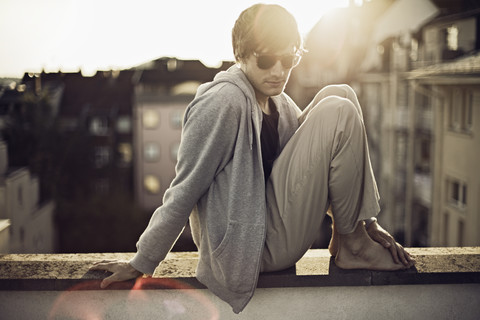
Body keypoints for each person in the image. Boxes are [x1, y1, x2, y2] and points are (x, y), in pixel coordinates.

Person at [91, 3, 415, 314]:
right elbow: (185, 188)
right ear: (240, 55)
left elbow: (324, 165)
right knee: (338, 110)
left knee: (341, 95)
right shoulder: (222, 103)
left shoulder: (281, 104)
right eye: (266, 60)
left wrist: (365, 221)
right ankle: (353, 246)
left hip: (273, 226)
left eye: (288, 60)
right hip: (249, 250)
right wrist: (142, 261)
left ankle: (353, 235)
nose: (278, 71)